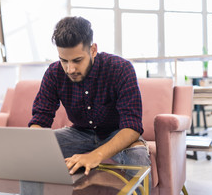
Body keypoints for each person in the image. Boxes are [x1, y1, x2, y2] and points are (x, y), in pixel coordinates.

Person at [28, 16, 151, 180]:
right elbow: (40, 119)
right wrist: (34, 144)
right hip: (78, 133)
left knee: (138, 157)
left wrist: (96, 155)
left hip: (116, 133)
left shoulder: (120, 69)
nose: (70, 69)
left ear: (93, 50)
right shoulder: (54, 73)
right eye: (64, 60)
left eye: (77, 60)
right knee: (30, 153)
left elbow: (133, 126)